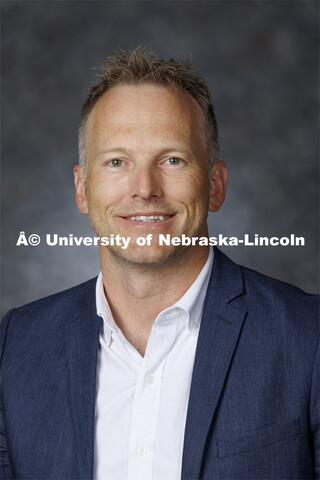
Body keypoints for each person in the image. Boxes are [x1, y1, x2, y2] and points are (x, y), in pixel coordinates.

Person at [1, 47, 319, 480]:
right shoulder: (15, 346)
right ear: (82, 189)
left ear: (215, 185)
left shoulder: (308, 337)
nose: (144, 188)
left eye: (172, 159)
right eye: (117, 162)